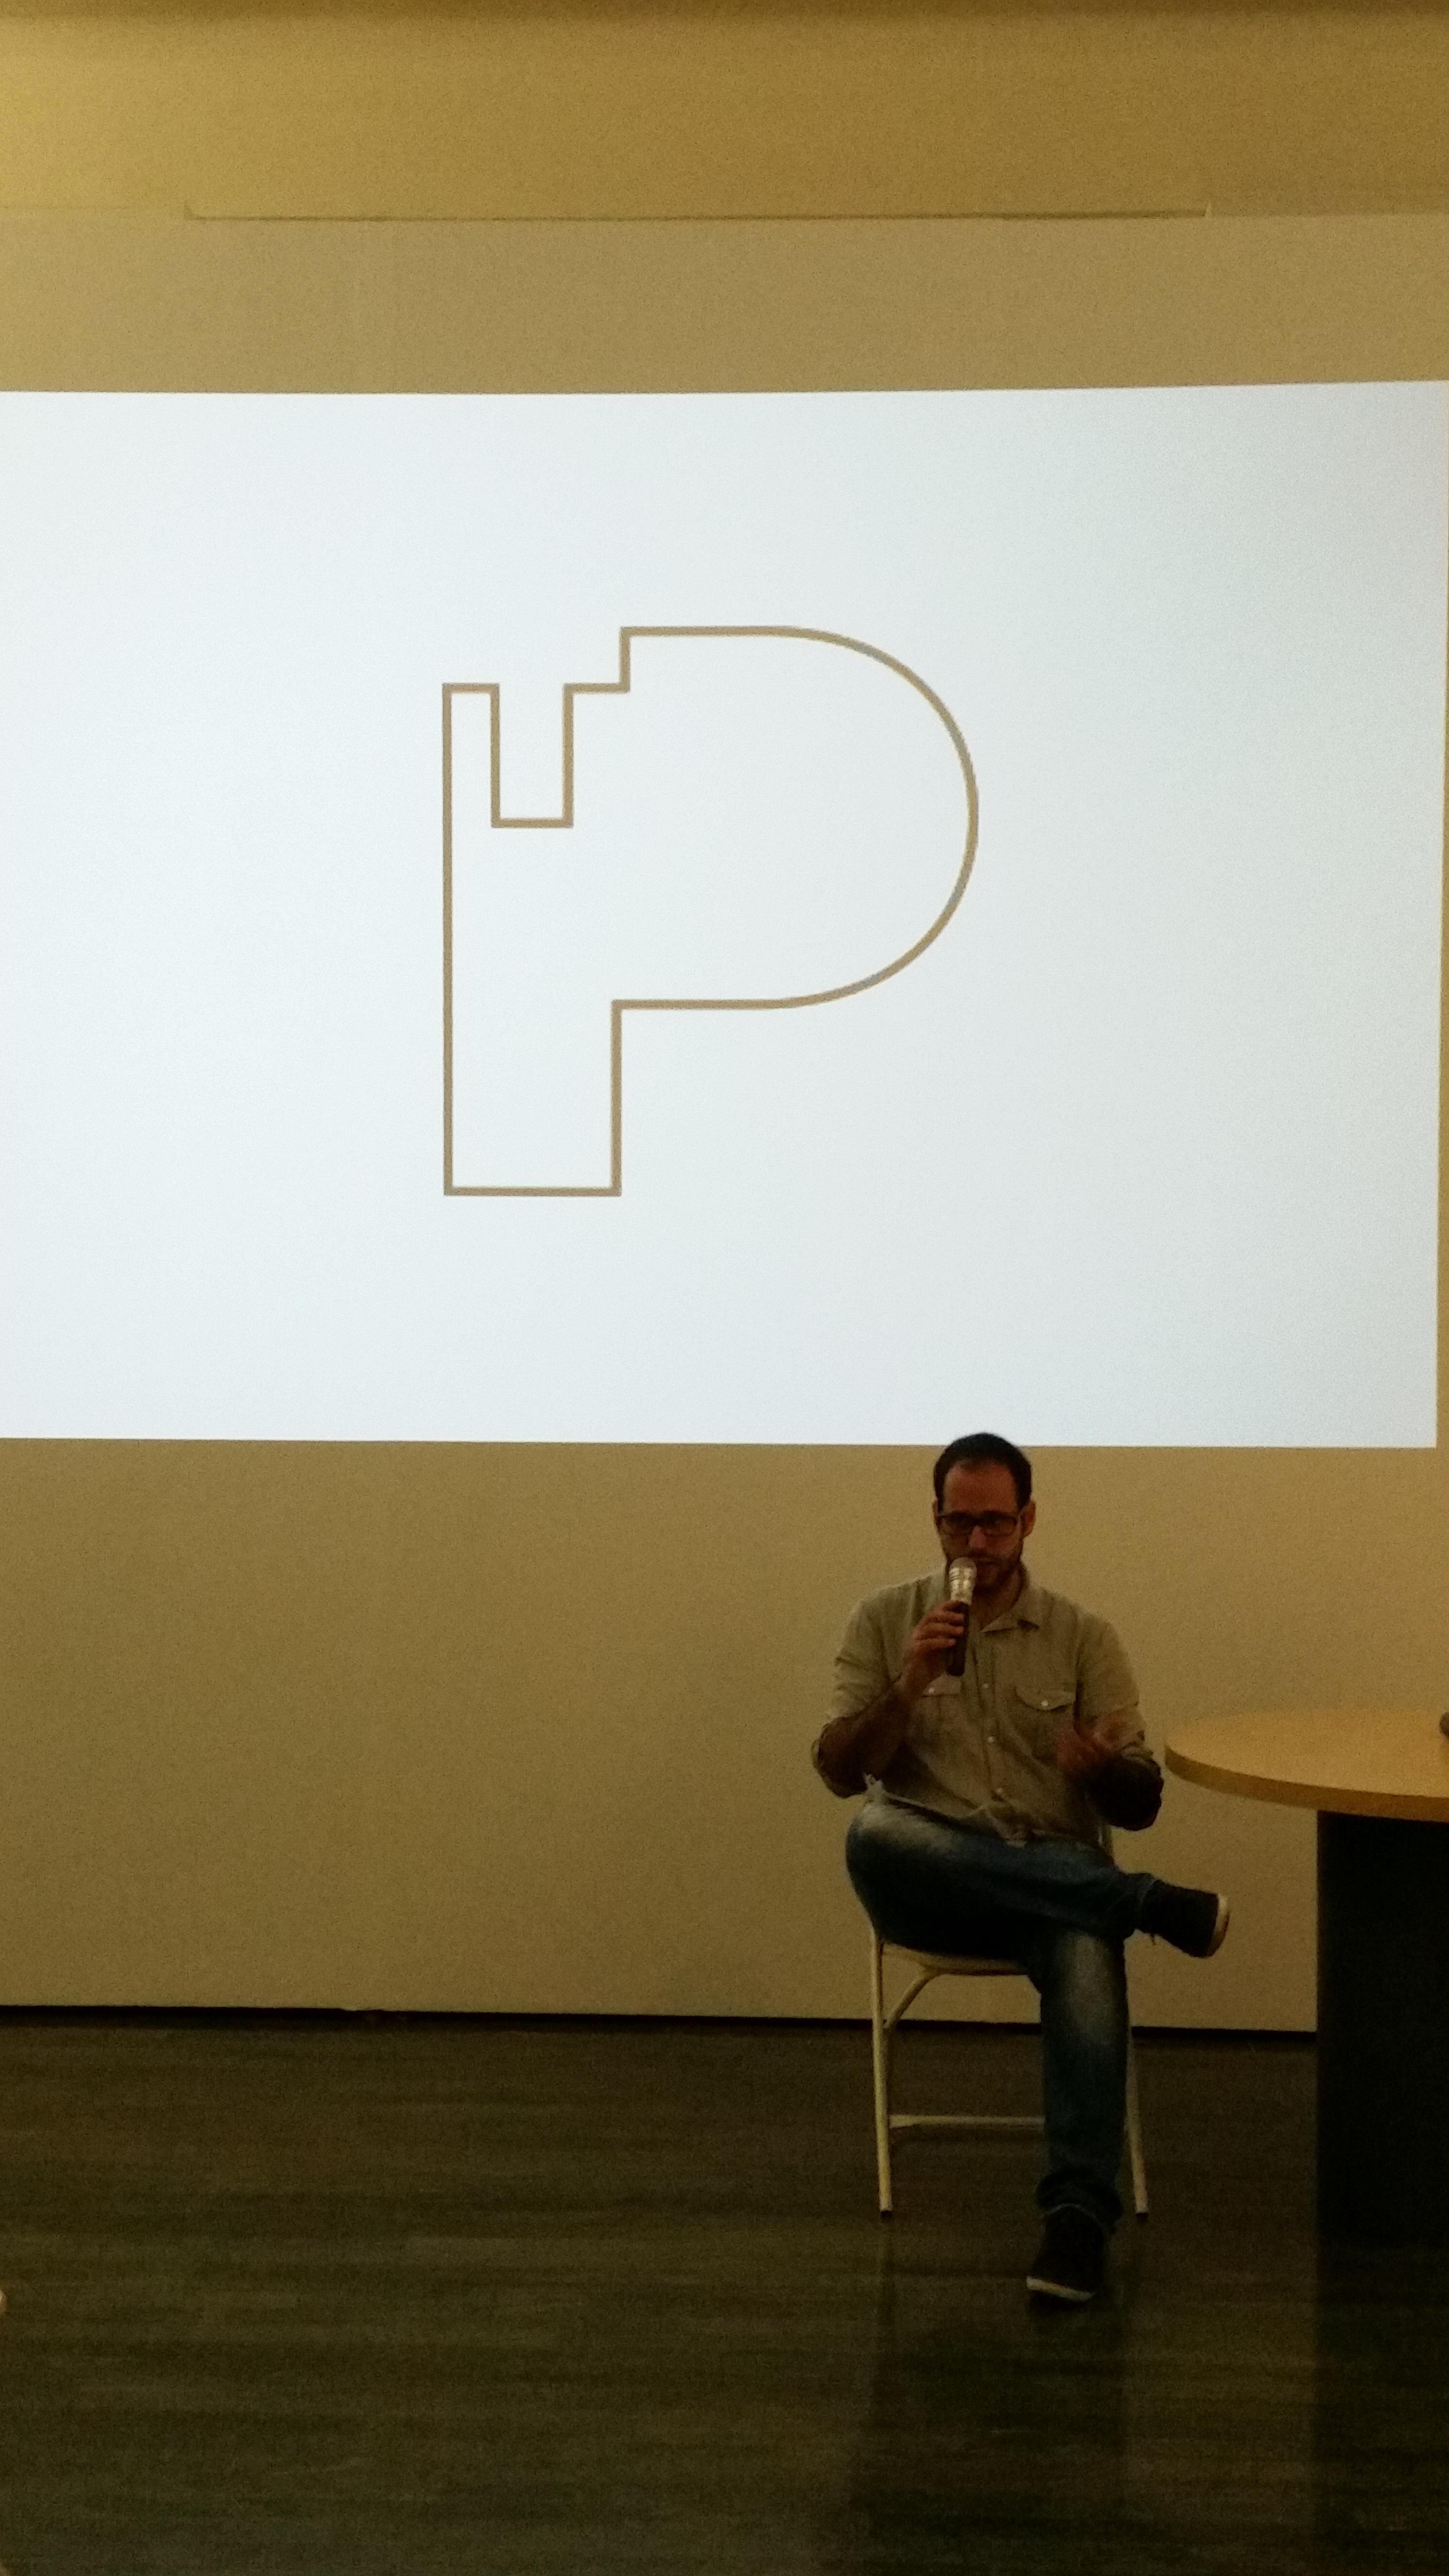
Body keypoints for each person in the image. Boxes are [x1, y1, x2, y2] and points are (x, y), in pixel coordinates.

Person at [813, 1431, 1228, 2305]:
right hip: (933, 1886)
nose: (977, 1543)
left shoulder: (1084, 1636)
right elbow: (840, 1773)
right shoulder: (884, 1619)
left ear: (1029, 1519)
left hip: (1051, 1893)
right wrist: (911, 1681)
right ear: (935, 1519)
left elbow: (1141, 1803)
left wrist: (1101, 1771)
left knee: (1083, 1950)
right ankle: (1145, 1903)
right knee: (873, 1833)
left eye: (995, 1524)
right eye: (958, 1523)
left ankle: (1076, 2220)